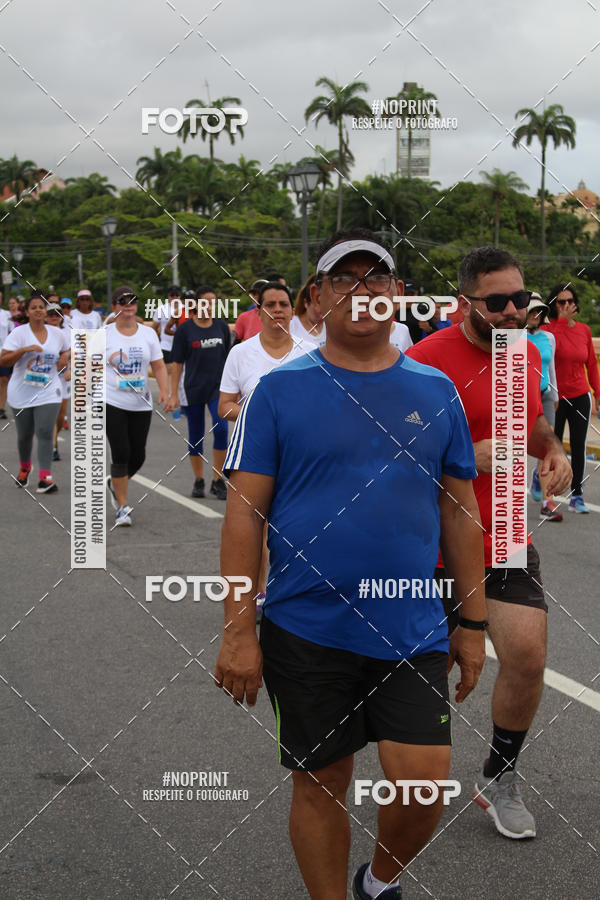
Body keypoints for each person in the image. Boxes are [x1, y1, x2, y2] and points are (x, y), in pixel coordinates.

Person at [215, 229, 488, 899]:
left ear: (399, 295)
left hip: (412, 627)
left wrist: (473, 620)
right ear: (317, 298)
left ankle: (378, 879)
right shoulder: (278, 393)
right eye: (347, 279)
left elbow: (459, 512)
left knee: (423, 783)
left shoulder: (436, 390)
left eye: (378, 279)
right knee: (322, 783)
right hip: (307, 629)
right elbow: (243, 515)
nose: (363, 292)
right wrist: (238, 628)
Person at [407, 246, 572, 840]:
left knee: (527, 657)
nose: (510, 311)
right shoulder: (425, 361)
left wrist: (552, 451)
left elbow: (532, 422)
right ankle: (408, 782)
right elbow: (388, 451)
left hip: (503, 529)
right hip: (428, 542)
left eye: (519, 300)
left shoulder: (524, 354)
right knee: (428, 678)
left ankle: (499, 775)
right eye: (495, 301)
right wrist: (460, 458)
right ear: (464, 303)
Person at [218, 280, 310, 618]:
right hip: (253, 456)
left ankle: (293, 589)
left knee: (294, 523)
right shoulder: (241, 353)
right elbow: (224, 405)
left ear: (292, 310)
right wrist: (260, 417)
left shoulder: (311, 351)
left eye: (283, 304)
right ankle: (257, 592)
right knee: (253, 524)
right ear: (259, 312)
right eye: (269, 305)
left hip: (300, 455)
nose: (277, 311)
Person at [105, 286, 169, 526]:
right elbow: (87, 362)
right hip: (111, 399)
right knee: (121, 452)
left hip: (140, 402)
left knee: (138, 455)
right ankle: (122, 506)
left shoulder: (148, 334)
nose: (127, 305)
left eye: (132, 301)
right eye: (122, 301)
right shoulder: (104, 334)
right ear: (114, 307)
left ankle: (115, 482)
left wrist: (165, 391)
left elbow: (159, 365)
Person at [0, 292, 71, 492]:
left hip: (49, 390)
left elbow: (69, 350)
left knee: (45, 432)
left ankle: (45, 477)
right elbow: (3, 360)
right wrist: (23, 350)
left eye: (42, 307)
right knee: (25, 435)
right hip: (21, 392)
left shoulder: (57, 333)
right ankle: (25, 467)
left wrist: (66, 358)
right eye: (34, 307)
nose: (39, 310)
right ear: (28, 312)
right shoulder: (19, 333)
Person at [167, 285, 231, 500]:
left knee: (221, 429)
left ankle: (217, 479)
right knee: (196, 435)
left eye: (214, 302)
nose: (210, 306)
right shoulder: (185, 330)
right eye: (206, 302)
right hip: (193, 387)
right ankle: (198, 479)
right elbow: (176, 363)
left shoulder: (222, 328)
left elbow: (229, 361)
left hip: (218, 388)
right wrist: (173, 393)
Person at [543, 283, 600, 513]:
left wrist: (597, 393)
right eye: (561, 302)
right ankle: (547, 490)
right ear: (553, 305)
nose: (567, 305)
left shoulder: (584, 330)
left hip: (579, 396)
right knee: (553, 446)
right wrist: (563, 323)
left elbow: (592, 364)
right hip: (555, 397)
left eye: (570, 301)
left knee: (578, 445)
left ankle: (577, 495)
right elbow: (551, 350)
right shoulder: (549, 330)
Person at [526, 294, 561, 521]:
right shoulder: (512, 337)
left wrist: (555, 394)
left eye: (540, 311)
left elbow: (551, 369)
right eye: (532, 311)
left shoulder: (548, 337)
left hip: (545, 396)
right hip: (520, 397)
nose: (536, 315)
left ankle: (549, 503)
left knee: (547, 447)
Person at [44, 303, 71, 461]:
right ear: (46, 316)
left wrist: (70, 370)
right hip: (45, 379)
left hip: (63, 379)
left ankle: (53, 438)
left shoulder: (66, 333)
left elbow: (76, 353)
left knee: (60, 417)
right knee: (51, 415)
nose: (54, 317)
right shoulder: (41, 333)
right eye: (51, 314)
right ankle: (52, 446)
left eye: (57, 314)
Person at [289, 275, 326, 348]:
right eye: (319, 302)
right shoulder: (291, 326)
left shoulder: (332, 325)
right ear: (306, 303)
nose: (323, 308)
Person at [152, 285, 179, 376]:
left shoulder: (185, 309)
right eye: (172, 295)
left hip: (183, 346)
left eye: (177, 295)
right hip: (166, 346)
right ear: (168, 296)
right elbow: (153, 328)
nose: (175, 297)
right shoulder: (161, 309)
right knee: (169, 374)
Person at [0, 301, 12, 418]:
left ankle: (1, 408)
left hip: (3, 352)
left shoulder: (6, 314)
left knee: (4, 379)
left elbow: (12, 329)